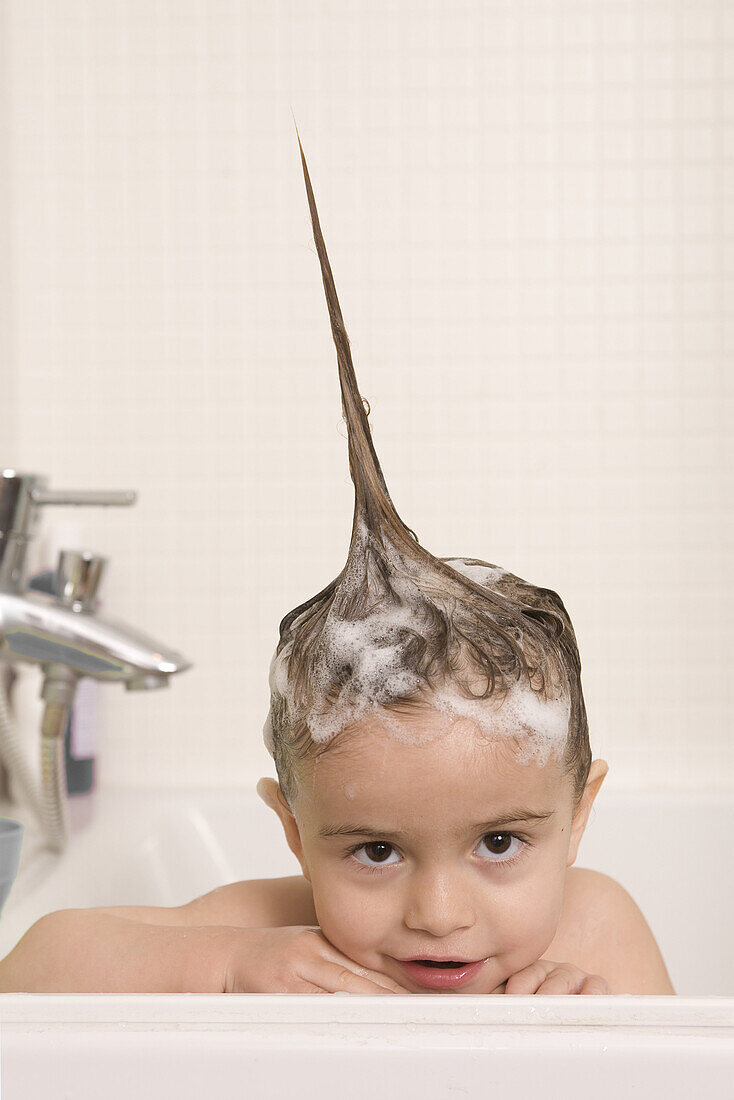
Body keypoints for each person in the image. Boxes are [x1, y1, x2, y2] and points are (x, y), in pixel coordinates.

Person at [0, 133, 674, 996]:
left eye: (500, 843)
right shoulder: (274, 929)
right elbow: (30, 967)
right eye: (376, 851)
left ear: (580, 817)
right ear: (293, 829)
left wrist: (603, 1048)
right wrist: (230, 965)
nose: (437, 912)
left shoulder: (598, 933)